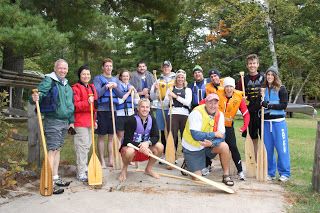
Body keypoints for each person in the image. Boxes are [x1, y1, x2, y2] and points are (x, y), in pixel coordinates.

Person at [31, 59, 74, 194]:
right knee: (52, 150)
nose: (63, 70)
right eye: (60, 68)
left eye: (65, 68)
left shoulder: (66, 85)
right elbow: (40, 93)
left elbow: (70, 105)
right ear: (55, 68)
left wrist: (71, 121)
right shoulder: (49, 80)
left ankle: (55, 177)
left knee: (58, 149)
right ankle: (48, 181)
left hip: (64, 121)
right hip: (53, 120)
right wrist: (35, 96)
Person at [182, 93, 234, 186]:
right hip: (193, 147)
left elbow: (222, 136)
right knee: (198, 180)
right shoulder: (197, 112)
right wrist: (213, 134)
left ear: (218, 104)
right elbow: (196, 135)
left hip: (207, 145)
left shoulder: (220, 115)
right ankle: (188, 162)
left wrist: (212, 144)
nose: (213, 106)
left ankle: (226, 175)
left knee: (224, 146)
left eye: (215, 103)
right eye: (210, 103)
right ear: (205, 103)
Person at [119, 98, 164, 181]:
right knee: (129, 151)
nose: (145, 109)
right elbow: (126, 141)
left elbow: (156, 136)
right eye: (142, 107)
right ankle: (124, 169)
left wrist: (147, 143)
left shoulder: (152, 119)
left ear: (150, 109)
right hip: (131, 148)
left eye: (147, 107)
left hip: (145, 148)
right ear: (138, 108)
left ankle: (148, 169)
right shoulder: (131, 120)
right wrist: (141, 146)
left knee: (160, 146)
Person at [216, 77, 250, 180]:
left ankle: (240, 171)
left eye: (231, 86)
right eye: (227, 86)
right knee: (212, 146)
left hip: (229, 127)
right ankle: (207, 166)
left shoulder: (238, 98)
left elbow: (246, 114)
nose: (229, 89)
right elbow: (205, 103)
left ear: (234, 88)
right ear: (224, 87)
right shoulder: (218, 95)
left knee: (233, 148)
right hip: (217, 127)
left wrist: (244, 126)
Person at [261, 66, 290, 182]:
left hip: (279, 123)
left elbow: (284, 105)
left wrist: (269, 105)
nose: (269, 77)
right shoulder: (263, 89)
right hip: (266, 123)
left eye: (272, 75)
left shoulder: (281, 89)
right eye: (268, 74)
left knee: (282, 149)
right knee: (268, 149)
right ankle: (270, 173)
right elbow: (261, 104)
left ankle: (285, 173)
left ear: (275, 76)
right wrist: (262, 103)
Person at [93, 58, 124, 168]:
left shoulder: (116, 80)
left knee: (111, 137)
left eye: (110, 66)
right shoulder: (98, 78)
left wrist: (114, 87)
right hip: (102, 110)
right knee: (101, 136)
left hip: (113, 110)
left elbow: (121, 95)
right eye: (106, 66)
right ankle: (102, 160)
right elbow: (97, 93)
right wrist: (106, 86)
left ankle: (111, 159)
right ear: (103, 67)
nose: (109, 68)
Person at [72, 65, 98, 182]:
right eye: (83, 74)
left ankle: (84, 167)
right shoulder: (75, 88)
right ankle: (81, 172)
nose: (86, 76)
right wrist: (87, 102)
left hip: (90, 121)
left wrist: (95, 120)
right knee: (81, 147)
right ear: (80, 75)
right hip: (80, 121)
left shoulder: (92, 87)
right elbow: (75, 106)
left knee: (87, 146)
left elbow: (95, 106)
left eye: (88, 74)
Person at [236, 54, 264, 159]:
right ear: (247, 66)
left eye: (254, 63)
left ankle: (264, 160)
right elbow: (237, 96)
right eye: (250, 63)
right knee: (253, 137)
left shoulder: (264, 78)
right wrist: (242, 101)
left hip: (262, 112)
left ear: (258, 64)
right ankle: (255, 160)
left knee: (264, 137)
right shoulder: (243, 80)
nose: (252, 65)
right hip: (249, 112)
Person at [163, 69, 192, 157]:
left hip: (184, 114)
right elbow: (164, 103)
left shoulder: (188, 90)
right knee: (172, 135)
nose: (180, 79)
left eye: (182, 77)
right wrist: (168, 98)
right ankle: (172, 156)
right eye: (178, 77)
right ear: (176, 78)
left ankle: (187, 157)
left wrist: (175, 96)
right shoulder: (170, 89)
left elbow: (187, 102)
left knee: (185, 136)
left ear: (184, 79)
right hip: (173, 113)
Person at [150, 60, 176, 154]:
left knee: (172, 131)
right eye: (164, 67)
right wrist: (155, 90)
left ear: (171, 68)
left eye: (168, 66)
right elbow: (152, 97)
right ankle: (165, 153)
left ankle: (173, 153)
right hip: (161, 108)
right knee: (162, 131)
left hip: (172, 108)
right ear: (162, 68)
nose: (166, 68)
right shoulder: (157, 80)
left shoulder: (176, 79)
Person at [116, 69, 140, 143]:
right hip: (120, 114)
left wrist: (135, 91)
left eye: (127, 76)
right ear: (120, 77)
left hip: (130, 114)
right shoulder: (117, 87)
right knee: (120, 136)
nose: (125, 78)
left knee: (129, 135)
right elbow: (120, 101)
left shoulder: (131, 86)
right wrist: (129, 92)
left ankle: (127, 152)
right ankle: (117, 153)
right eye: (123, 76)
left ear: (129, 77)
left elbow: (137, 102)